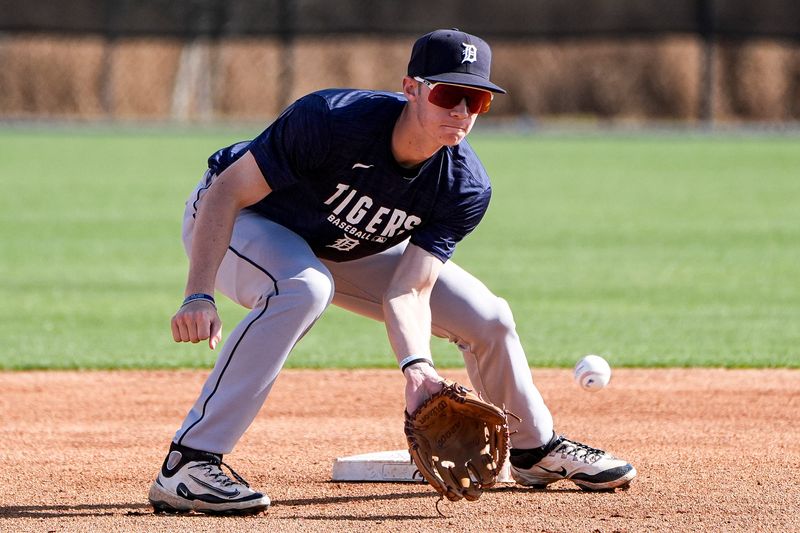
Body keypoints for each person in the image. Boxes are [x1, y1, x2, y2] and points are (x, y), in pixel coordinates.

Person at [148, 28, 637, 515]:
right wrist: (198, 295)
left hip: (339, 246)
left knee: (488, 317)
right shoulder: (332, 120)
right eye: (449, 95)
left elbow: (410, 289)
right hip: (242, 220)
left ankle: (534, 449)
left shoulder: (463, 186)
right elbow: (228, 192)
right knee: (302, 288)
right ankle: (189, 462)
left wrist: (417, 370)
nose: (462, 112)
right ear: (411, 88)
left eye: (478, 101)